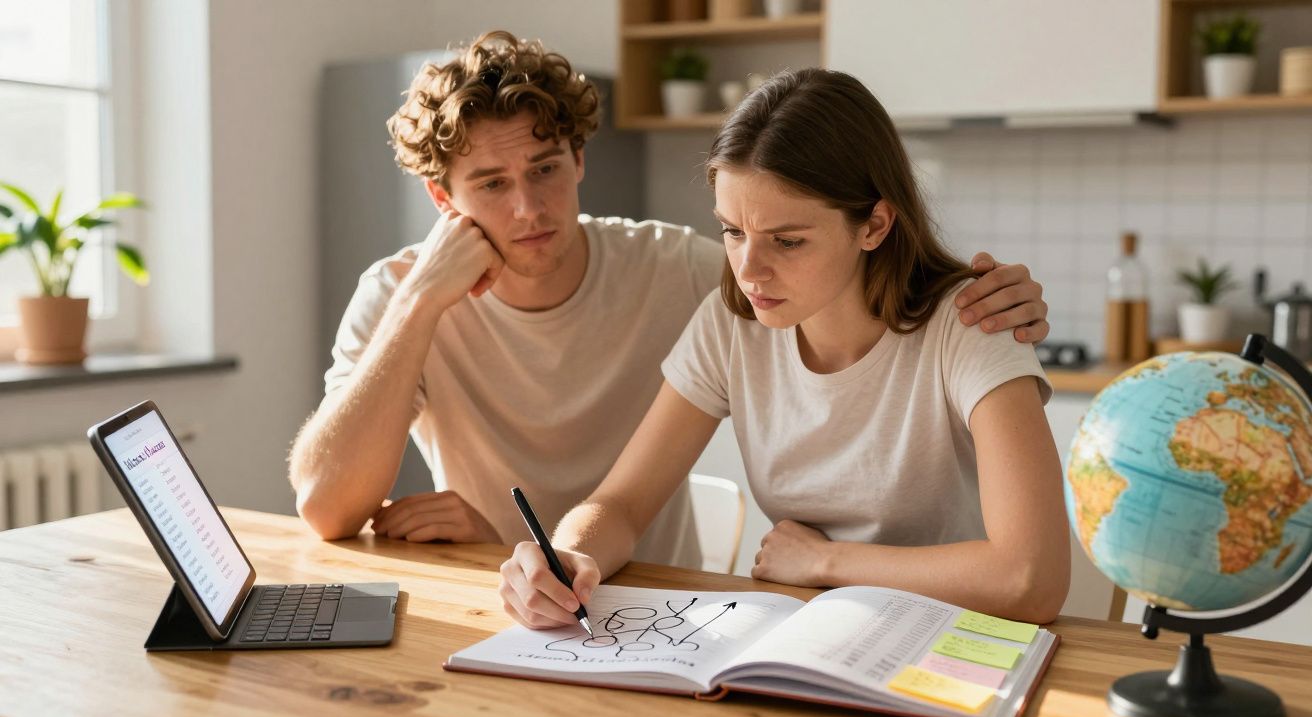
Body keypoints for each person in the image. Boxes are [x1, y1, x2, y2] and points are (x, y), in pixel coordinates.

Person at [289, 32, 1054, 570]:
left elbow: (1026, 573)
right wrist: (422, 298)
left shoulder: (689, 275)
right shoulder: (397, 294)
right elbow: (326, 512)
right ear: (440, 199)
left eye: (546, 169)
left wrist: (991, 300)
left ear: (580, 159)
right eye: (491, 185)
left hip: (681, 599)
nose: (528, 208)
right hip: (547, 595)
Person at [498, 68, 1070, 624]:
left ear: (874, 225)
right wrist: (569, 555)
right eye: (732, 231)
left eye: (788, 241)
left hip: (956, 638)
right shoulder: (732, 324)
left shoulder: (970, 322)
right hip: (812, 632)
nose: (749, 272)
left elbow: (1030, 580)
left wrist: (826, 562)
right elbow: (621, 504)